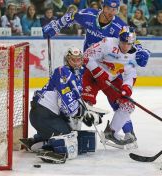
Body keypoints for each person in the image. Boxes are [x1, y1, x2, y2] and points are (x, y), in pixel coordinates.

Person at [42, 0, 150, 147]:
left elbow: (130, 38)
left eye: (115, 10)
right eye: (109, 9)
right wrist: (56, 24)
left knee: (119, 100)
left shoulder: (118, 25)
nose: (112, 13)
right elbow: (72, 15)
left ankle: (127, 132)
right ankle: (70, 132)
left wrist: (141, 49)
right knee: (78, 98)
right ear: (102, 7)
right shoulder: (89, 15)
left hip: (110, 67)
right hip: (88, 64)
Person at [20, 47, 102, 151]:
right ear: (67, 61)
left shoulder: (77, 76)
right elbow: (65, 101)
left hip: (51, 115)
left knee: (72, 134)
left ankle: (38, 140)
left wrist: (88, 112)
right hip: (43, 114)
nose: (76, 63)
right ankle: (45, 146)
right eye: (73, 60)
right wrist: (83, 114)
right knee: (67, 138)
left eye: (79, 60)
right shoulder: (62, 72)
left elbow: (76, 101)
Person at [83, 26, 139, 146]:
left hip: (111, 80)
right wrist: (99, 73)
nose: (125, 46)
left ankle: (111, 132)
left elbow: (131, 75)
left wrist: (126, 89)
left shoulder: (134, 55)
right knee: (83, 105)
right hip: (93, 76)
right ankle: (68, 134)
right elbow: (87, 56)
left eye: (129, 44)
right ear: (119, 39)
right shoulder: (107, 43)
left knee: (128, 105)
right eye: (123, 42)